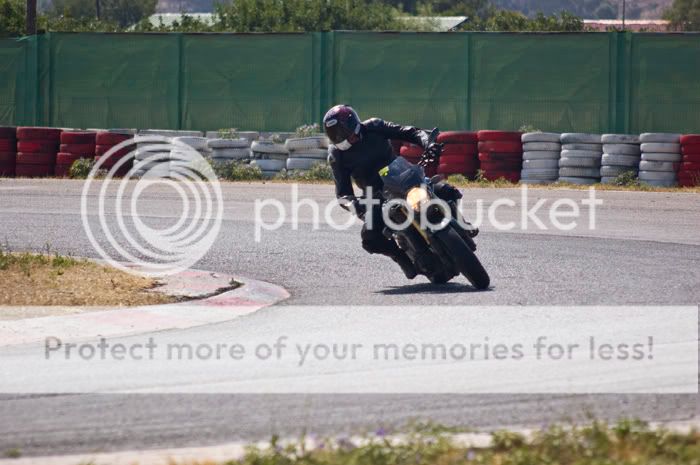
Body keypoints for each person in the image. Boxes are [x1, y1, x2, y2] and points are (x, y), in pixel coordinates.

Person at [323, 104, 463, 279]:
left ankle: (461, 226)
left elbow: (410, 132)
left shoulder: (374, 126)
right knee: (370, 238)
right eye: (335, 135)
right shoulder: (337, 154)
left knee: (448, 191)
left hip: (403, 176)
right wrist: (356, 205)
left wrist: (429, 143)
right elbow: (343, 194)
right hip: (376, 195)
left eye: (344, 133)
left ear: (356, 126)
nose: (342, 138)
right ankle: (400, 256)